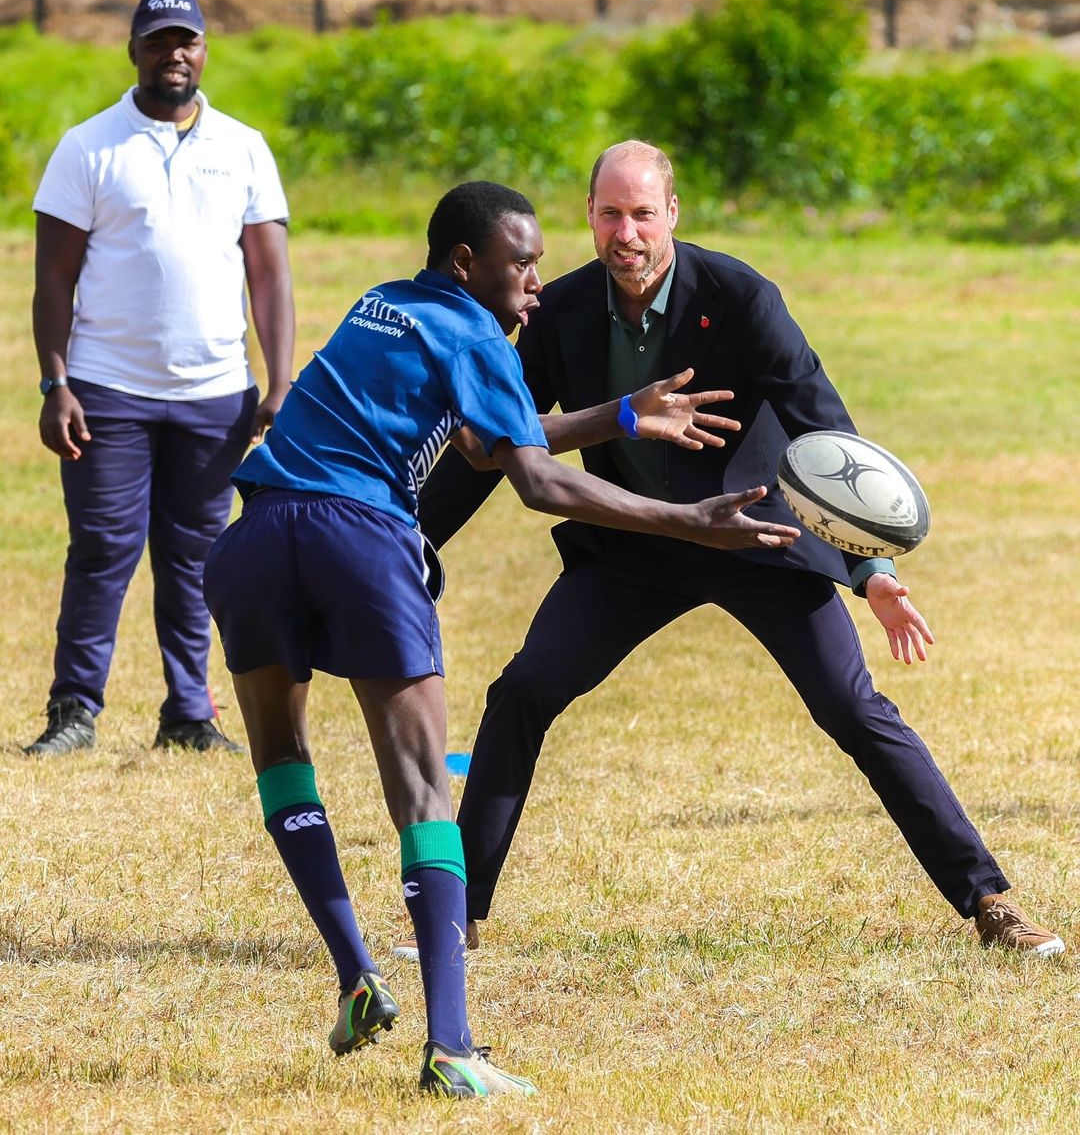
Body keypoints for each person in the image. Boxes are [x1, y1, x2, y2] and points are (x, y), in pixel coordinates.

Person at [201, 180, 803, 1099]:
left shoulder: (383, 306)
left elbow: (487, 445)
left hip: (252, 537)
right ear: (465, 264)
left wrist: (623, 415)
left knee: (283, 764)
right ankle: (450, 1048)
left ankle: (357, 976)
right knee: (423, 793)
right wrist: (688, 520)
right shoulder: (479, 333)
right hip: (357, 539)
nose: (537, 278)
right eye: (520, 262)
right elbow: (534, 482)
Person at [407, 140, 1065, 961]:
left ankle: (990, 902)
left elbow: (821, 424)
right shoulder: (564, 311)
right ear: (589, 216)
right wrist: (409, 540)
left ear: (672, 214)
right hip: (637, 545)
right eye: (610, 213)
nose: (627, 233)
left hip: (756, 535)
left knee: (853, 709)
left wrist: (873, 569)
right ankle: (456, 919)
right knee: (526, 689)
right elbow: (497, 444)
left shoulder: (743, 298)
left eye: (643, 213)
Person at [23, 0, 294, 757]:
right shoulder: (88, 147)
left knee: (200, 559)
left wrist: (278, 381)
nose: (175, 54)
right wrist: (56, 383)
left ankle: (189, 712)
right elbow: (53, 280)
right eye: (159, 41)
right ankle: (74, 711)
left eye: (189, 42)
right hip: (108, 390)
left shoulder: (243, 148)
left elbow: (270, 278)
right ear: (134, 50)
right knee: (102, 550)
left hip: (215, 395)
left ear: (205, 50)